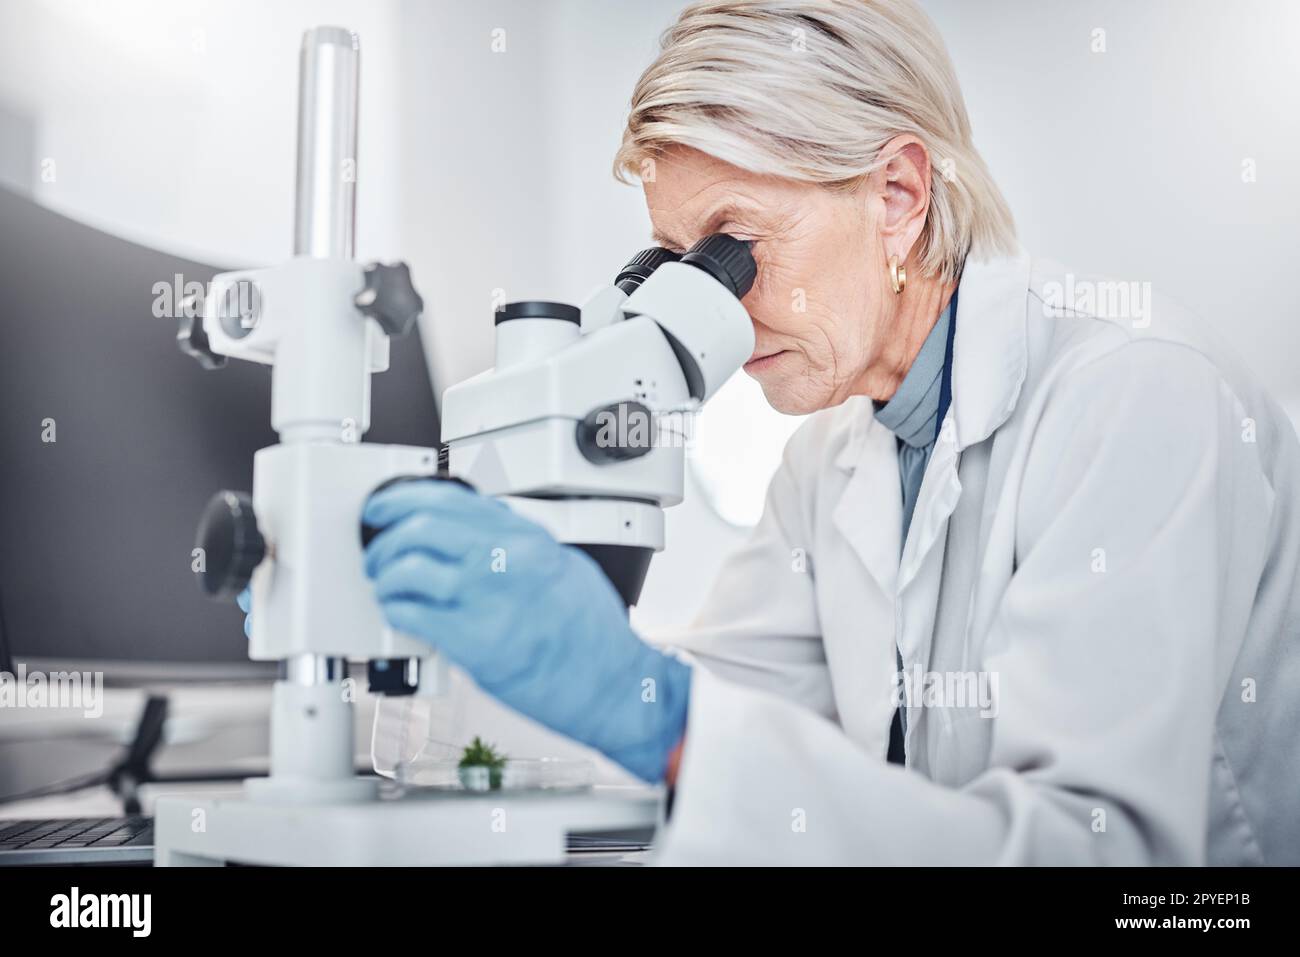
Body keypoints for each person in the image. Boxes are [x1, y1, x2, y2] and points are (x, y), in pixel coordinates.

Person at [360, 0, 1299, 864]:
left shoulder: (1138, 393)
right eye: (683, 264)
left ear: (896, 194)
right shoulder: (827, 460)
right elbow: (706, 718)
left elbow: (1103, 857)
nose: (713, 309)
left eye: (734, 244)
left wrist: (657, 711)